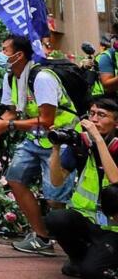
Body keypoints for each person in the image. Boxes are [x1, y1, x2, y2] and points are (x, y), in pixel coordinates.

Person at [0, 35, 81, 256]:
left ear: (19, 55)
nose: (1, 54)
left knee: (55, 198)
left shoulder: (42, 78)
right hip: (34, 139)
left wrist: (8, 125)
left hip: (61, 141)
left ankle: (73, 248)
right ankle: (41, 236)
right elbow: (11, 111)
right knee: (15, 178)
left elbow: (47, 120)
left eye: (5, 50)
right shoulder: (10, 77)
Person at [46, 96, 118, 278]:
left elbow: (115, 179)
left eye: (101, 115)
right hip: (88, 221)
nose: (94, 120)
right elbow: (56, 181)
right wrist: (55, 149)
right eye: (92, 113)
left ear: (116, 123)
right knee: (56, 219)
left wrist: (98, 140)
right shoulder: (82, 144)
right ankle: (81, 260)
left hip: (114, 228)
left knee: (91, 272)